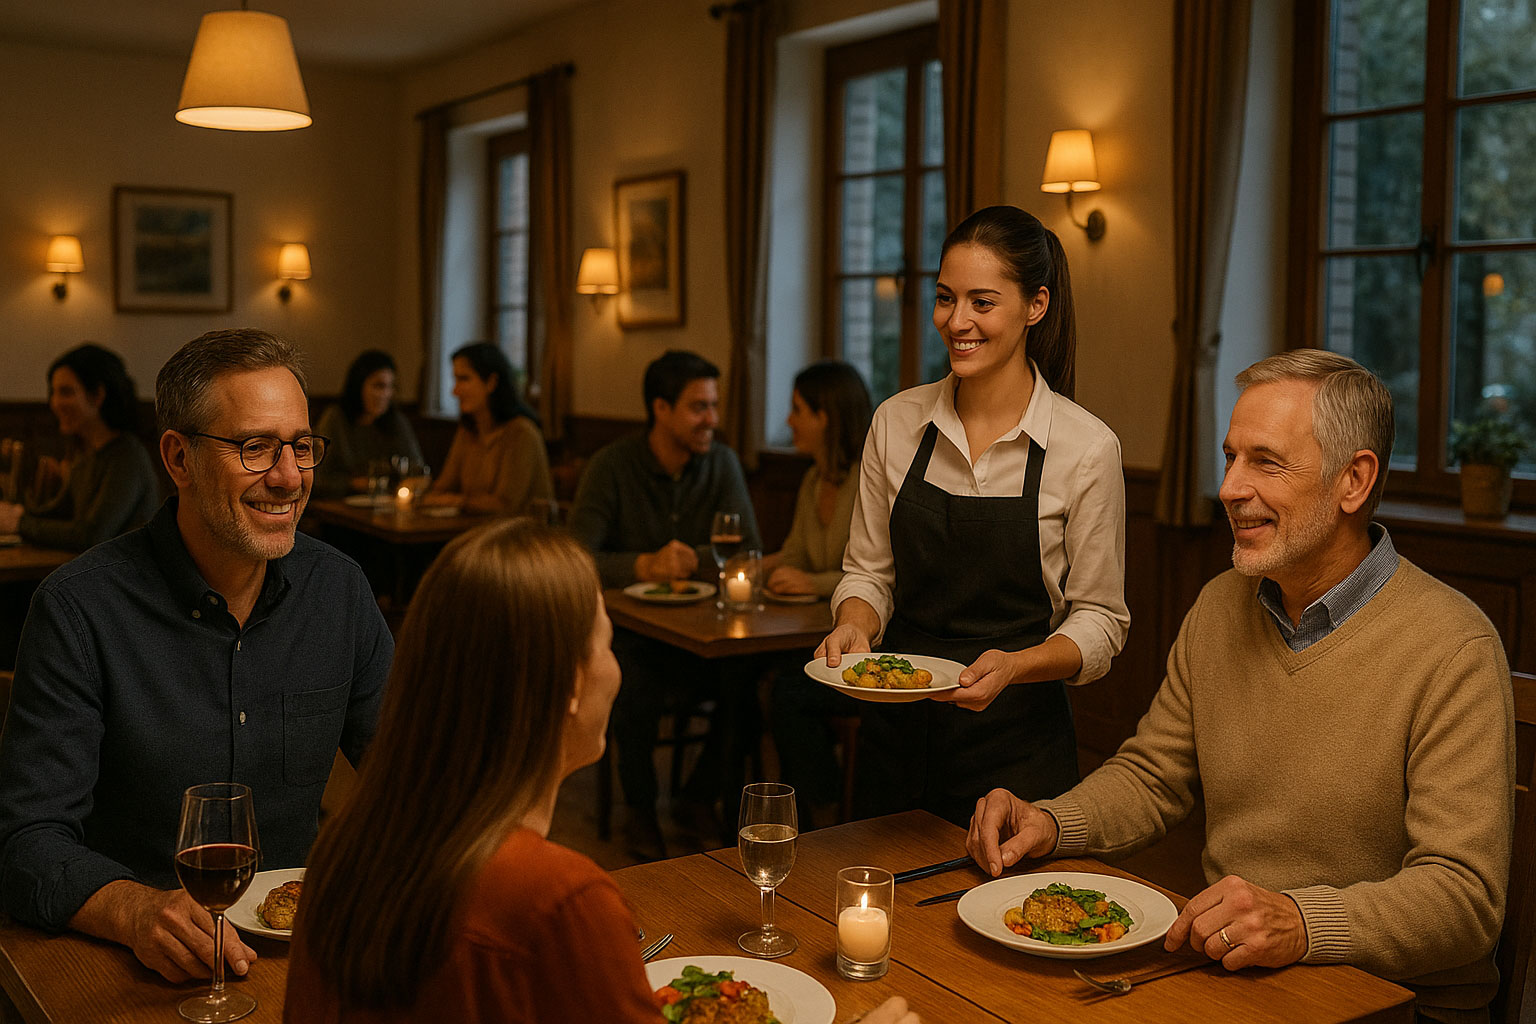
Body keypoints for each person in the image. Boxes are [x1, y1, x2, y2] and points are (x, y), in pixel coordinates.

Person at [967, 351, 1513, 1024]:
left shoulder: (1453, 646)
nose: (1228, 487)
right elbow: (1152, 776)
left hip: (1400, 1007)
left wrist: (1300, 923)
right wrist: (1051, 821)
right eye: (1230, 458)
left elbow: (1464, 901)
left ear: (1354, 480)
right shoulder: (1222, 605)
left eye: (1265, 461)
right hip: (1236, 979)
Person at [285, 519, 921, 1024]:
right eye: (606, 640)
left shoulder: (347, 846)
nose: (616, 669)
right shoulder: (558, 899)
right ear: (568, 686)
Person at [0, 328, 392, 984]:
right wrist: (132, 910)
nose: (289, 477)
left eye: (300, 446)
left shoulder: (339, 589)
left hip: (298, 958)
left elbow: (412, 770)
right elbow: (26, 841)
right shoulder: (78, 609)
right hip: (136, 963)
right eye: (255, 447)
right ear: (179, 459)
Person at [816, 205, 1129, 826]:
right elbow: (869, 573)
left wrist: (1019, 665)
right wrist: (855, 622)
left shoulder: (1086, 448)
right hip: (896, 733)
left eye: (982, 302)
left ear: (1035, 306)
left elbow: (1100, 620)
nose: (957, 322)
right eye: (945, 298)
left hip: (1018, 747)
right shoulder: (895, 423)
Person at [568, 349, 762, 859]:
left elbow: (747, 549)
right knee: (632, 683)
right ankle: (641, 812)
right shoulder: (612, 466)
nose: (712, 420)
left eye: (714, 406)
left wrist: (691, 561)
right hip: (632, 634)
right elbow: (575, 555)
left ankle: (698, 799)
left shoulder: (720, 463)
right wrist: (642, 566)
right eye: (699, 407)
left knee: (746, 681)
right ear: (661, 408)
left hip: (705, 636)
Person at [763, 360, 872, 827]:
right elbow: (794, 553)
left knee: (786, 692)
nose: (789, 421)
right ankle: (790, 812)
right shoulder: (813, 479)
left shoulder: (869, 478)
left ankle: (819, 811)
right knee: (757, 679)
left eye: (797, 409)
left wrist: (814, 584)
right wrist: (746, 565)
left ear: (826, 415)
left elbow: (878, 573)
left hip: (864, 645)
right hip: (818, 637)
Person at [0, 343, 158, 550]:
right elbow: (59, 513)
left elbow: (92, 535)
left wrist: (19, 522)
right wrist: (15, 510)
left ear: (97, 396)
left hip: (127, 579)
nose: (55, 403)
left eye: (66, 392)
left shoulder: (127, 455)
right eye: (54, 392)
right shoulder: (86, 453)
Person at [425, 341, 553, 515]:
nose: (455, 391)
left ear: (491, 382)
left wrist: (456, 501)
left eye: (464, 379)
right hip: (476, 533)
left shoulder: (522, 433)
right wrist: (423, 489)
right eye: (455, 380)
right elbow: (443, 486)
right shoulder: (468, 429)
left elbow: (506, 506)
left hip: (522, 538)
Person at [313, 349, 423, 500]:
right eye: (379, 386)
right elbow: (316, 478)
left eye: (391, 387)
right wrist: (352, 484)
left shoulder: (396, 421)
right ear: (358, 385)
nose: (386, 394)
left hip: (385, 505)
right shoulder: (335, 418)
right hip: (339, 507)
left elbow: (416, 468)